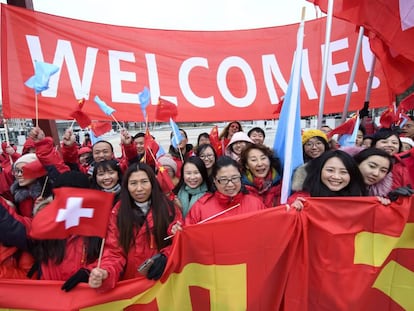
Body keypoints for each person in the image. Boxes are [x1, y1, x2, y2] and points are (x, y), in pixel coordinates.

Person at [88, 163, 182, 291]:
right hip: (131, 285)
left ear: (152, 183)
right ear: (126, 186)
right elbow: (114, 253)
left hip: (162, 283)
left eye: (144, 182)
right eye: (133, 183)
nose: (139, 188)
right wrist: (105, 273)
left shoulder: (169, 209)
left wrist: (165, 257)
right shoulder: (118, 212)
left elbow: (178, 243)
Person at [29, 171, 103, 292]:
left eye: (74, 194)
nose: (69, 199)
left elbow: (111, 256)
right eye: (63, 194)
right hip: (49, 296)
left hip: (86, 297)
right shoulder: (42, 224)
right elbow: (12, 226)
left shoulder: (99, 225)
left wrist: (90, 271)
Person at [184, 156, 267, 225]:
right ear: (214, 180)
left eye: (235, 178)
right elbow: (188, 235)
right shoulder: (201, 207)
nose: (230, 184)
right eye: (223, 179)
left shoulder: (255, 204)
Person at [288, 150, 367, 210]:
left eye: (343, 172)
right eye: (330, 170)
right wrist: (292, 209)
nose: (336, 177)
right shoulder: (302, 199)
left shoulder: (361, 198)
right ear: (319, 171)